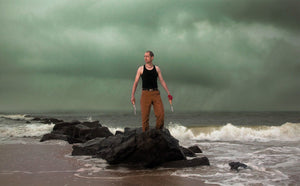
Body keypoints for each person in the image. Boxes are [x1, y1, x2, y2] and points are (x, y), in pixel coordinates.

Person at [131, 50, 172, 132]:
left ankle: (158, 132)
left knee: (161, 115)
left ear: (152, 57)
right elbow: (136, 82)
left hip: (156, 93)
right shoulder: (141, 69)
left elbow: (162, 81)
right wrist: (132, 95)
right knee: (145, 117)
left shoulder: (157, 68)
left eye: (147, 56)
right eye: (144, 56)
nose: (145, 58)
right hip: (145, 94)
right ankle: (146, 136)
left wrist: (168, 93)